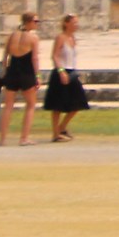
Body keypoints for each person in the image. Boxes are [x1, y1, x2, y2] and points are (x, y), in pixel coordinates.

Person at [0, 12, 42, 146]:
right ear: (28, 22)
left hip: (12, 72)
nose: (37, 24)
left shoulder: (12, 36)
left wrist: (5, 73)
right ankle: (24, 138)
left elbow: (5, 57)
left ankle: (2, 139)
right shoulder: (33, 38)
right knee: (31, 105)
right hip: (26, 73)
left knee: (8, 106)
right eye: (35, 21)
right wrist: (38, 76)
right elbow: (34, 58)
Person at [44, 13, 90, 142]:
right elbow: (55, 55)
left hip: (72, 72)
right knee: (57, 105)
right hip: (61, 71)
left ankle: (62, 127)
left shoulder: (73, 38)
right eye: (74, 23)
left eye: (77, 23)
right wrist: (61, 71)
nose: (76, 25)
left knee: (79, 102)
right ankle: (55, 133)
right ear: (66, 23)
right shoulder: (60, 37)